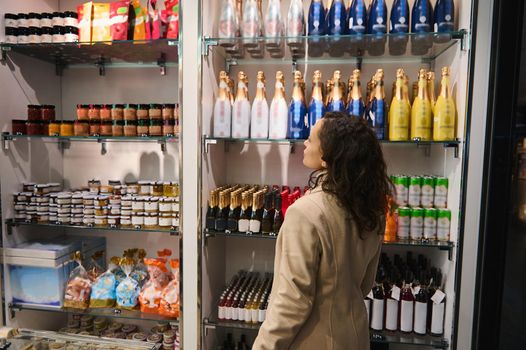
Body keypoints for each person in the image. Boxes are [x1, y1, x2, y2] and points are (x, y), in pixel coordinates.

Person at [252, 112, 391, 350]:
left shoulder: (305, 212)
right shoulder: (372, 208)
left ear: (327, 156)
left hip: (314, 340)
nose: (305, 142)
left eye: (311, 138)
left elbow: (292, 302)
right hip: (355, 335)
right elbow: (366, 283)